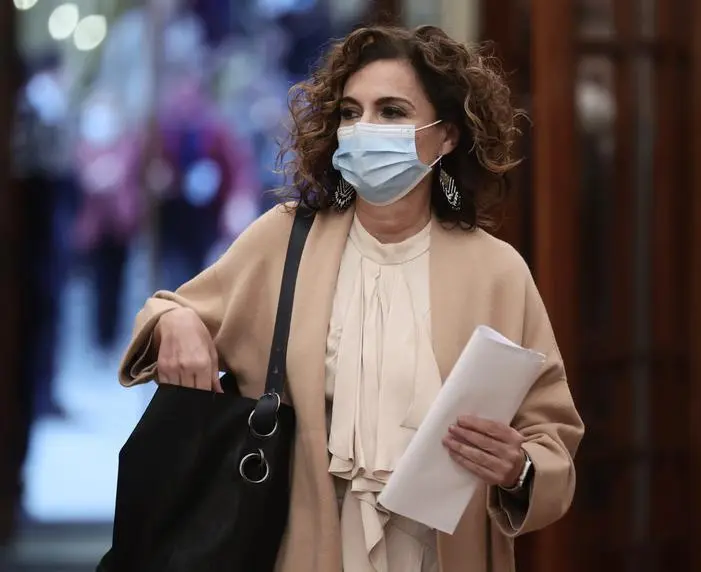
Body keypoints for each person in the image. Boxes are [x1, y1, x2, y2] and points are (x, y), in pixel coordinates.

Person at [119, 25, 584, 572]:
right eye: (350, 112)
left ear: (447, 136)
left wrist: (518, 468)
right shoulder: (285, 240)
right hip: (302, 551)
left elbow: (551, 436)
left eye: (391, 111)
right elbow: (165, 311)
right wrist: (176, 323)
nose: (365, 129)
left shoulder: (497, 272)